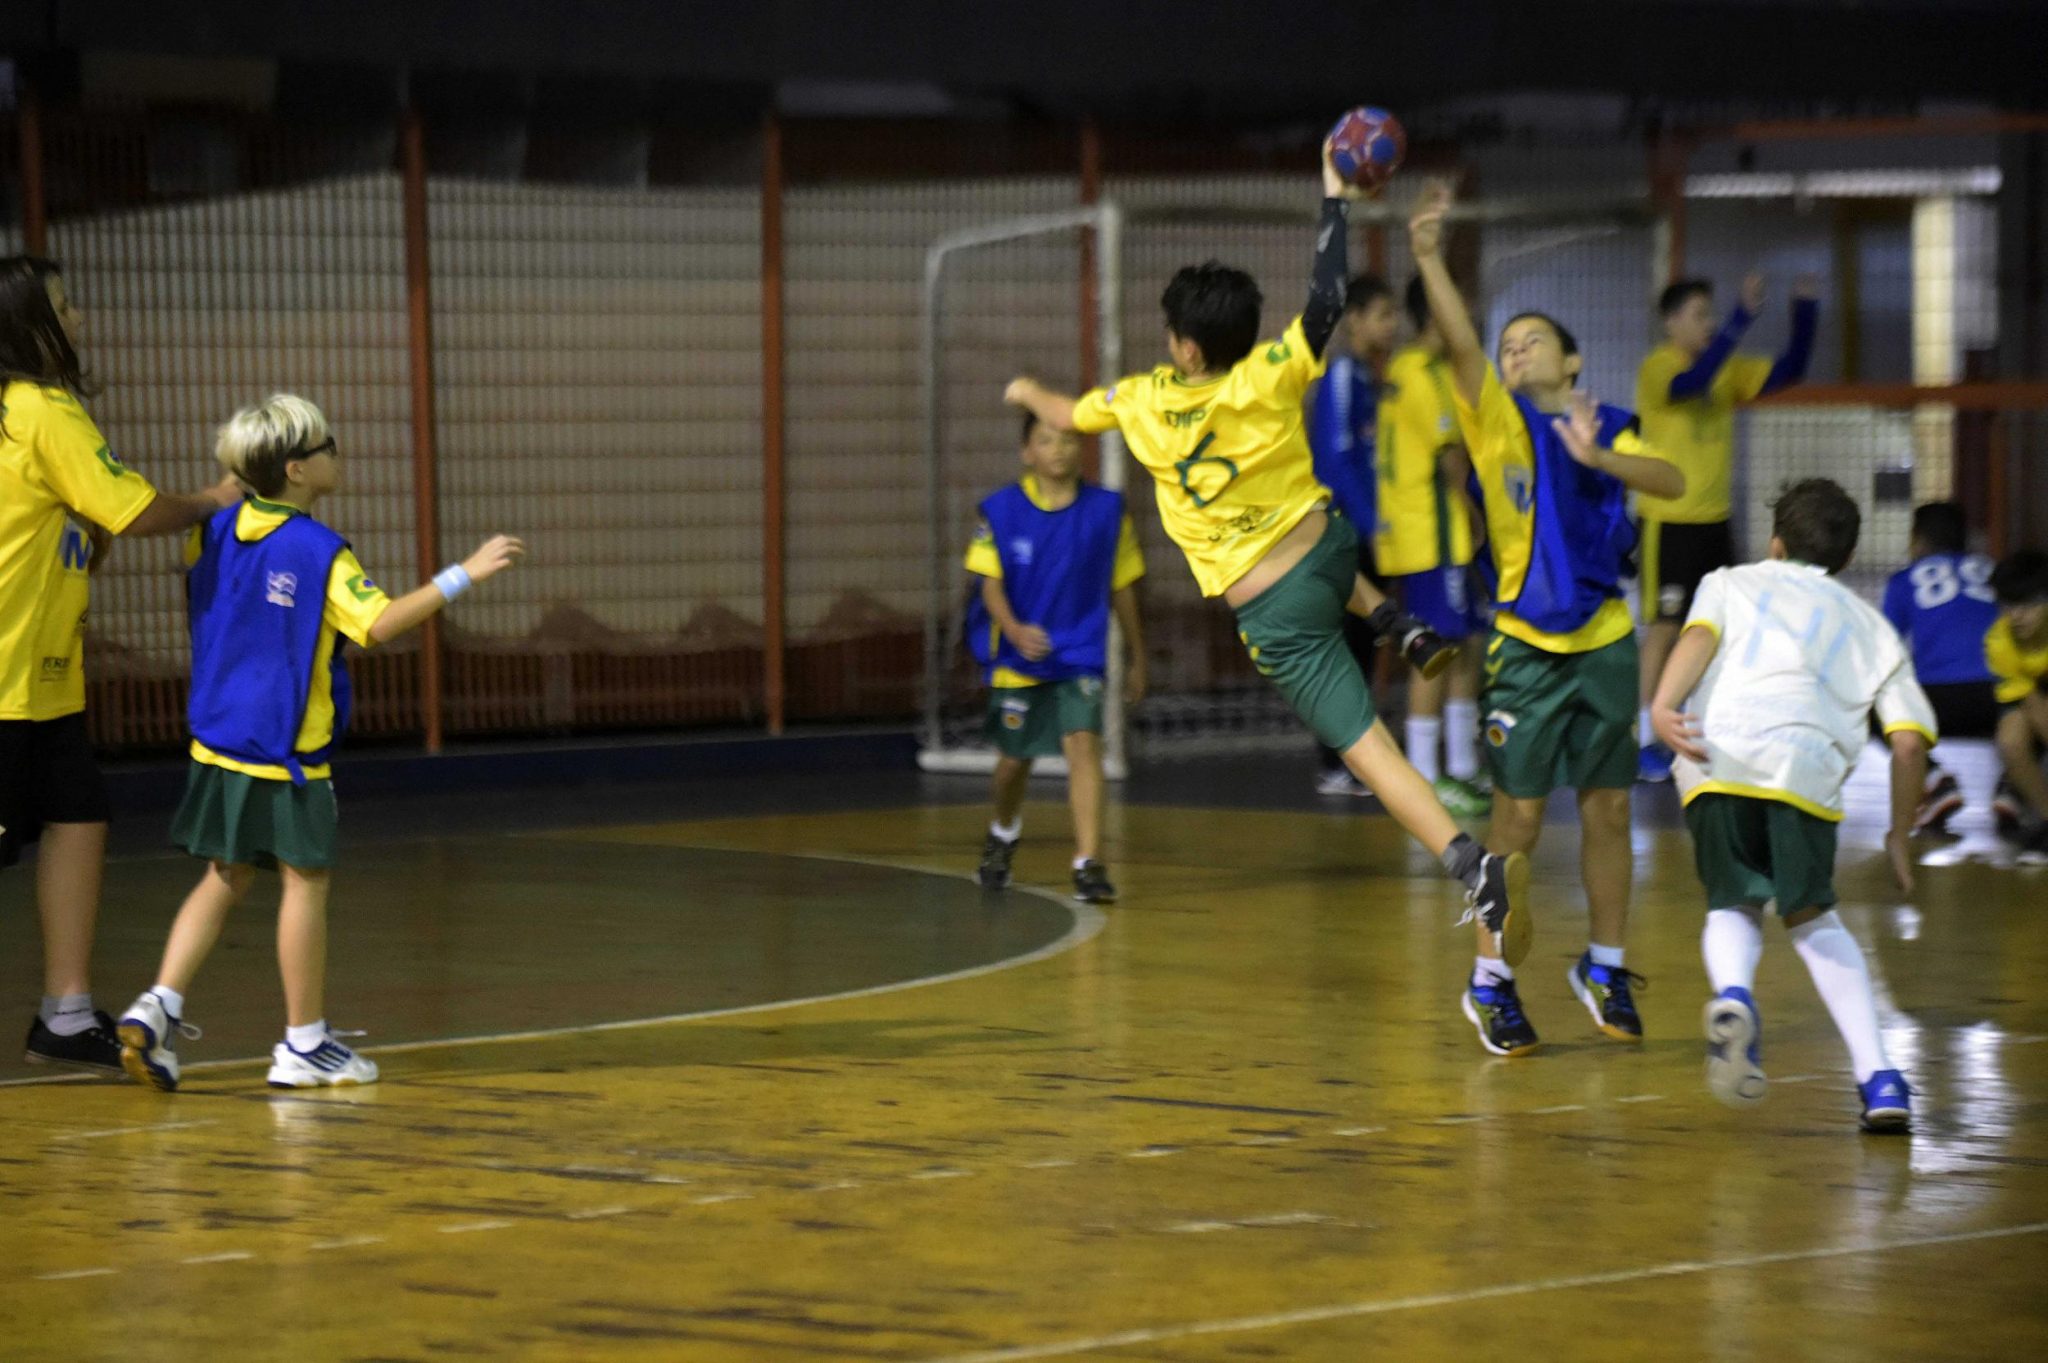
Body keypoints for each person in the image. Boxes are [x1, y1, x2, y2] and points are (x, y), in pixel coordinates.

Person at [1003, 140, 1529, 964]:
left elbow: (1067, 414)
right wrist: (1334, 195)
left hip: (1278, 611)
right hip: (1328, 548)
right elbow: (1324, 303)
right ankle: (1397, 622)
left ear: (1181, 346)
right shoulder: (1271, 374)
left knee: (1368, 749)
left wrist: (1025, 391)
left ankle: (1473, 867)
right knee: (1319, 540)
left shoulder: (1140, 402)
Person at [116, 395, 524, 1091]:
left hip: (216, 741)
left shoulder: (212, 530)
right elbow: (379, 623)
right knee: (307, 881)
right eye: (327, 445)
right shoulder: (318, 550)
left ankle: (156, 1007)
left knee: (226, 872)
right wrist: (464, 574)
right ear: (299, 469)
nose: (340, 451)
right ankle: (304, 1041)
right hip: (285, 751)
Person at [1409, 182, 1685, 1057]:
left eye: (1532, 341)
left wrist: (1598, 454)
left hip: (1602, 643)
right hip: (1525, 649)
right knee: (1517, 824)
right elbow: (1458, 342)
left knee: (1607, 811)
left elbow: (1671, 483)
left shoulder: (1610, 427)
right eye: (1506, 343)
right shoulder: (1495, 422)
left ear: (1572, 364)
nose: (1513, 350)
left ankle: (1604, 964)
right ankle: (1490, 980)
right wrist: (1425, 254)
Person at [1, 255, 243, 1072]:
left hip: (42, 678)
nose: (80, 319)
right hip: (4, 679)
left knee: (78, 817)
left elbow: (75, 533)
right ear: (26, 323)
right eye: (64, 306)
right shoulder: (38, 408)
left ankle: (65, 1015)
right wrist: (211, 502)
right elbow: (132, 507)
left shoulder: (31, 415)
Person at [1651, 478, 1931, 1132]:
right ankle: (1881, 1077)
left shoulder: (1730, 580)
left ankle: (1735, 996)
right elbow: (1910, 745)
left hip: (1714, 760)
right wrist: (1897, 832)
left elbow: (1696, 640)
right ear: (1845, 556)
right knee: (1811, 918)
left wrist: (1662, 705)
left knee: (1731, 900)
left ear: (1775, 540)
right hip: (1803, 772)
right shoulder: (1873, 627)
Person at [1634, 272, 1819, 782]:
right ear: (1671, 322)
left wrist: (1805, 310)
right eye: (1699, 315)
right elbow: (1691, 385)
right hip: (1668, 521)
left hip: (1716, 520)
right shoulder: (1658, 367)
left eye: (1710, 315)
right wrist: (1740, 320)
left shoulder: (1726, 366)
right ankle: (1643, 736)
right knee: (1664, 628)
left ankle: (1704, 726)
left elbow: (1792, 370)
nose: (1708, 324)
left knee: (1718, 627)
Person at [969, 412, 1146, 903]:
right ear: (1027, 452)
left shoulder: (1107, 512)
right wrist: (1014, 629)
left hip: (1080, 652)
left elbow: (1124, 585)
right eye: (1046, 440)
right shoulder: (1001, 512)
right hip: (1020, 658)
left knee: (1082, 742)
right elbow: (990, 585)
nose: (1060, 449)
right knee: (1013, 761)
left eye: (1069, 439)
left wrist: (1137, 656)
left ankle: (1088, 862)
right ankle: (1003, 831)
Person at [1375, 275, 1488, 817]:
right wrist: (1471, 509)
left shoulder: (1428, 370)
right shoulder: (1418, 375)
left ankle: (1462, 766)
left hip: (1444, 536)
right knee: (1435, 649)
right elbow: (1449, 457)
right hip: (1429, 534)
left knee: (1466, 647)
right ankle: (1423, 773)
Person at [1306, 274, 1399, 797]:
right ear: (1355, 319)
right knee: (1342, 645)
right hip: (1345, 533)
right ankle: (1334, 761)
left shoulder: (1368, 378)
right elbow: (1337, 461)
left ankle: (1352, 756)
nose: (1392, 326)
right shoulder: (1343, 375)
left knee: (1364, 645)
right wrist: (1370, 525)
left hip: (1365, 531)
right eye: (1383, 315)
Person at [1879, 502, 2000, 833]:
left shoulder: (1904, 580)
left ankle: (1935, 782)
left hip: (1937, 703)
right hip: (1998, 699)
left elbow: (1884, 646)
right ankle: (2013, 791)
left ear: (1918, 540)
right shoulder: (1991, 570)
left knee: (1871, 706)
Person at [1986, 549, 2048, 860]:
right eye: (2009, 605)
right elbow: (2034, 707)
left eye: (2028, 604)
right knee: (2010, 740)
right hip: (2039, 696)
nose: (2016, 616)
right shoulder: (2000, 643)